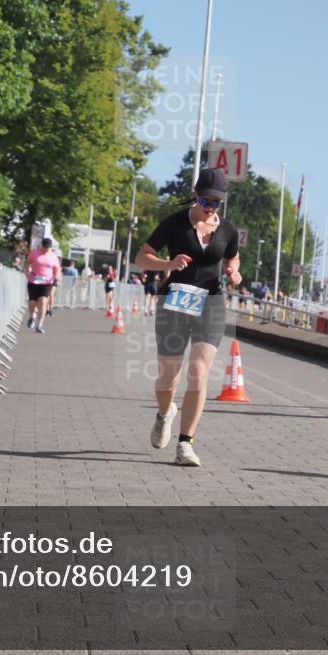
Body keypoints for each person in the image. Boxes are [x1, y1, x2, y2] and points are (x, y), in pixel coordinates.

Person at [135, 167, 241, 467]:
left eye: (216, 203)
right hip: (176, 301)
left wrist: (234, 271)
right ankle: (165, 413)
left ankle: (185, 444)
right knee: (168, 377)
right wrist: (168, 262)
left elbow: (232, 256)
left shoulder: (228, 230)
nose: (210, 208)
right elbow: (141, 257)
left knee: (198, 372)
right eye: (206, 201)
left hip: (212, 302)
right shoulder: (174, 224)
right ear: (195, 195)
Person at [25, 238, 60, 334]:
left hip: (47, 282)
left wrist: (56, 278)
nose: (46, 250)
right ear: (42, 246)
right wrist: (27, 272)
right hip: (34, 280)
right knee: (32, 302)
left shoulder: (53, 257)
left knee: (43, 301)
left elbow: (57, 269)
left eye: (48, 248)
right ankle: (32, 316)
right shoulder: (34, 253)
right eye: (45, 248)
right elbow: (28, 262)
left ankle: (40, 325)